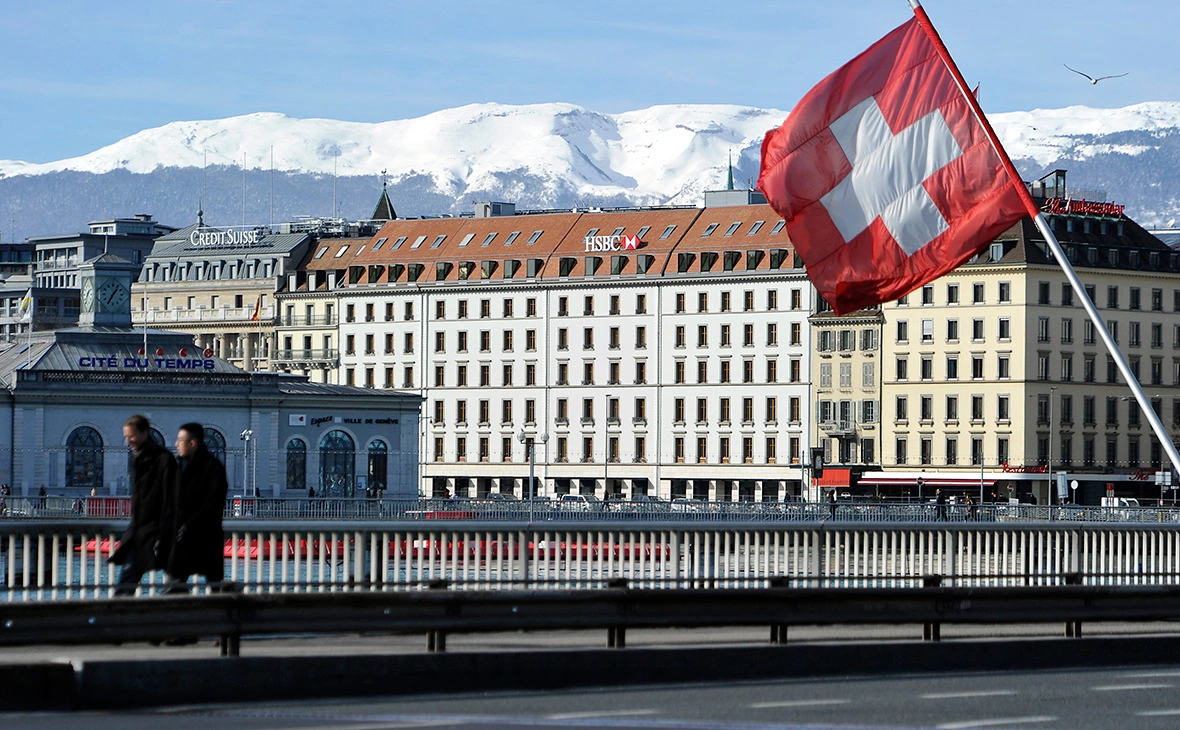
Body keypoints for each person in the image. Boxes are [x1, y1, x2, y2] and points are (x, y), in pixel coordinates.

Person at [110, 414, 177, 595]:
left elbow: (170, 497)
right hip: (142, 528)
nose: (128, 440)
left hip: (153, 528)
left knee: (128, 578)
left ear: (144, 433)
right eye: (126, 436)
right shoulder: (137, 457)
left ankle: (117, 615)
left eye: (131, 435)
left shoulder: (163, 459)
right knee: (129, 577)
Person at [165, 423, 229, 591]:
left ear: (192, 443)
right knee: (174, 586)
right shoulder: (178, 467)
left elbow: (214, 502)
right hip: (184, 537)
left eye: (180, 440)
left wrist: (189, 524)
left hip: (203, 536)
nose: (176, 444)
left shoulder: (212, 468)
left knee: (212, 588)